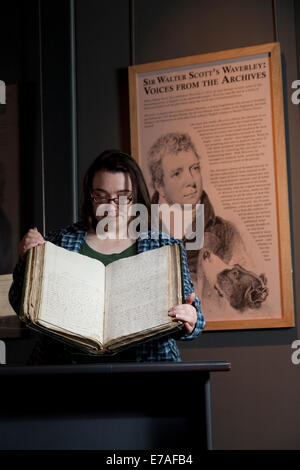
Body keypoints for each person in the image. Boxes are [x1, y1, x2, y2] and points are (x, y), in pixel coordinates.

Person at [9, 150, 205, 364]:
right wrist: (25, 261)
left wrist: (191, 317)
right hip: (66, 371)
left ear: (137, 196)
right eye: (100, 196)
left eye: (123, 197)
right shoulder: (58, 243)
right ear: (89, 196)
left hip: (149, 373)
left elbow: (194, 319)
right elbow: (22, 306)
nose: (111, 207)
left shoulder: (164, 246)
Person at [147, 132, 251, 286]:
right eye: (177, 173)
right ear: (159, 186)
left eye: (195, 168)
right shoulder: (140, 233)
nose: (191, 180)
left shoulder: (227, 234)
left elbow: (246, 303)